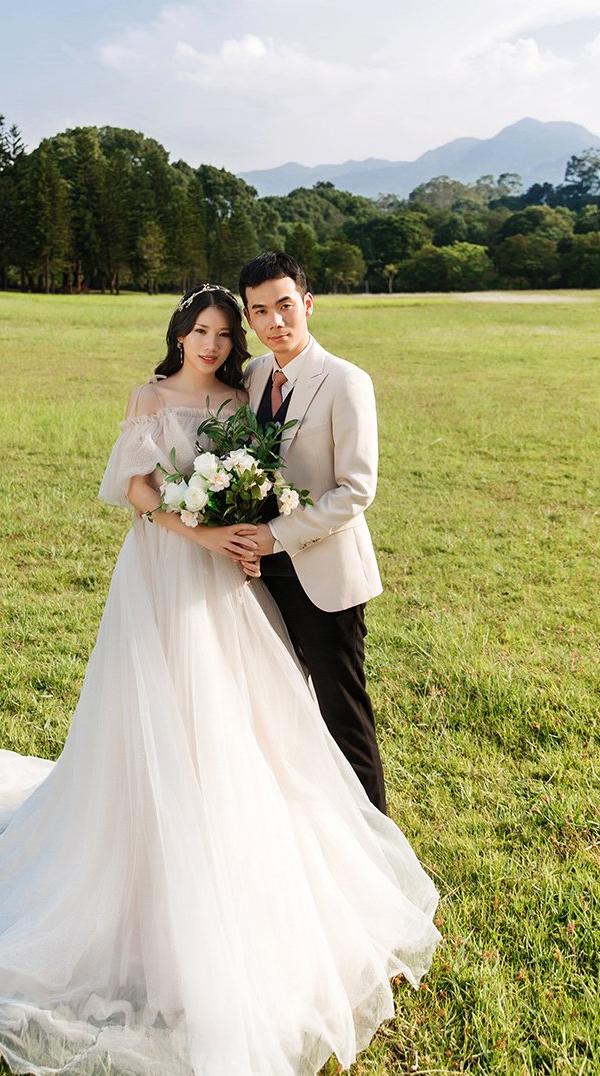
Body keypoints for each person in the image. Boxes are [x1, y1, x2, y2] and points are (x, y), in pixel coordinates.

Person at [0, 285, 439, 1076]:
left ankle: (264, 850)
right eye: (201, 330)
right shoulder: (149, 396)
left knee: (235, 713)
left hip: (228, 579)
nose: (213, 344)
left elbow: (268, 478)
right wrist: (199, 531)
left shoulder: (241, 398)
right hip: (162, 567)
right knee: (152, 706)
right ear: (179, 334)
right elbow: (136, 488)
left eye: (224, 333)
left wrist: (242, 532)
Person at [238, 252, 387, 813]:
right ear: (249, 318)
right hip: (258, 573)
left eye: (284, 306)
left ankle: (374, 837)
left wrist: (276, 535)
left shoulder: (346, 381)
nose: (274, 321)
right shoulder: (253, 376)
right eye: (260, 311)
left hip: (324, 572)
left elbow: (355, 490)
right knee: (277, 703)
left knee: (341, 711)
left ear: (307, 303)